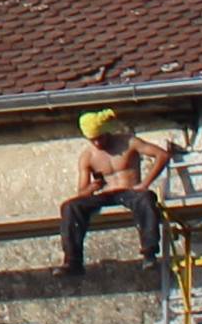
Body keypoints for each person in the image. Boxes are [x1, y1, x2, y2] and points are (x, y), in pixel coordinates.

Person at [60, 108, 179, 274]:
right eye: (92, 140)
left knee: (146, 199)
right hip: (105, 194)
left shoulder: (128, 142)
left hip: (130, 191)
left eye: (100, 138)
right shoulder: (87, 156)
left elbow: (162, 155)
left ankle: (149, 253)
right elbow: (81, 192)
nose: (97, 143)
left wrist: (145, 183)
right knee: (69, 206)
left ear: (106, 132)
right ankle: (73, 261)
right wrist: (93, 188)